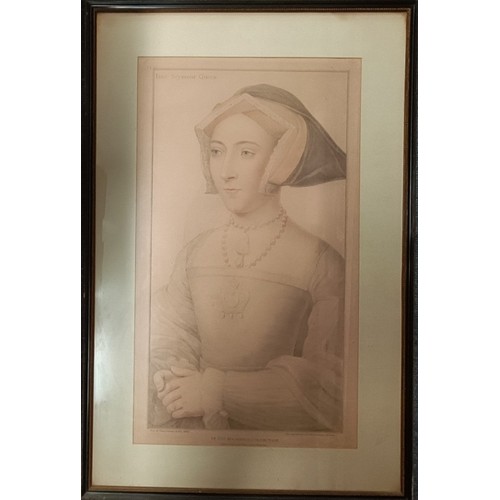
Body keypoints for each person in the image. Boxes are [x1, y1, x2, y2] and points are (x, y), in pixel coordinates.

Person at [149, 84, 346, 432]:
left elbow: (330, 385)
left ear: (281, 159)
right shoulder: (194, 253)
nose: (226, 170)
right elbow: (170, 333)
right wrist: (171, 377)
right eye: (217, 151)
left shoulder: (321, 262)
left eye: (246, 153)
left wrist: (215, 391)